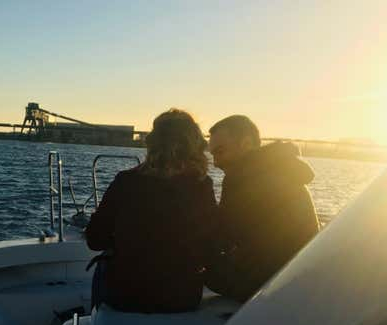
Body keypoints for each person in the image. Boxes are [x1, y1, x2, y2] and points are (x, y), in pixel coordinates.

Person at [85, 109, 217, 313]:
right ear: (195, 144)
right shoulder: (202, 184)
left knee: (103, 265)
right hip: (181, 297)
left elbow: (95, 240)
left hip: (126, 296)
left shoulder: (126, 181)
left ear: (151, 142)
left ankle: (96, 322)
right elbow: (209, 242)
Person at [206, 115, 319, 301]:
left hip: (267, 285)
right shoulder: (284, 169)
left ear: (247, 144)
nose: (216, 162)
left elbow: (221, 234)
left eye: (220, 152)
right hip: (299, 280)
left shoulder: (240, 177)